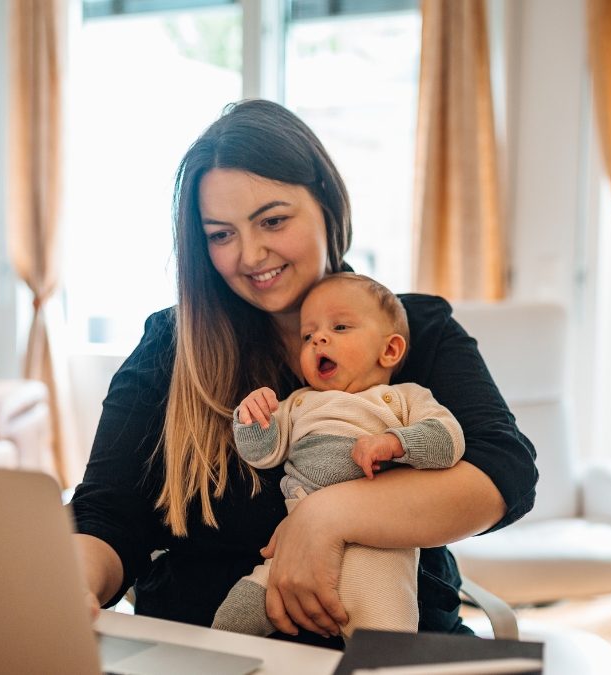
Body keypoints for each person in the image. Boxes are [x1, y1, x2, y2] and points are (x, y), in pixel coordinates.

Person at [71, 98, 538, 647]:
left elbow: (503, 472)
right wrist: (70, 588)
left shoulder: (414, 330)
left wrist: (326, 516)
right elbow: (107, 516)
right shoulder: (171, 346)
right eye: (221, 234)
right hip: (208, 649)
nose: (250, 254)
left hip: (390, 647)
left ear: (327, 203)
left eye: (273, 220)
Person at [212, 272, 465, 638]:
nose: (319, 339)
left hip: (378, 549)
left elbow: (448, 440)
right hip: (296, 547)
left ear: (390, 350)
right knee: (235, 618)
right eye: (307, 336)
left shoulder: (406, 397)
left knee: (385, 646)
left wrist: (396, 443)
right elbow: (262, 455)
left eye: (340, 327)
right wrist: (252, 418)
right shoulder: (299, 402)